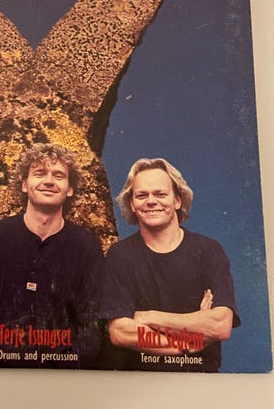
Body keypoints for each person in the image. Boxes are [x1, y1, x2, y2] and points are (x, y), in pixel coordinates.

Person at [0, 143, 104, 368]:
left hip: (64, 380)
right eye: (39, 173)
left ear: (70, 189)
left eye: (58, 175)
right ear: (24, 184)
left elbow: (91, 328)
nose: (49, 181)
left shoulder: (87, 246)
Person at [101, 158, 240, 372]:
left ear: (177, 200)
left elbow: (219, 326)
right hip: (138, 383)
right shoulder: (120, 255)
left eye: (160, 194)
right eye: (142, 195)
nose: (151, 201)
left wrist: (147, 316)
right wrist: (188, 341)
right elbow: (120, 332)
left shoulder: (208, 251)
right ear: (132, 204)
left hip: (200, 381)